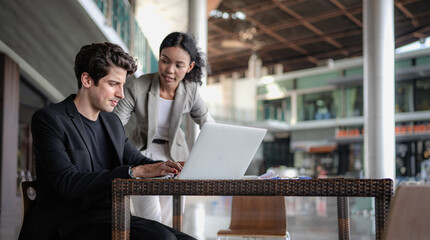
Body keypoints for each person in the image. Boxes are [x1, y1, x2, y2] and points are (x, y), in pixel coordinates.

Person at [18, 42, 196, 240]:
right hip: (68, 225)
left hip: (111, 218)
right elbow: (67, 182)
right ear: (87, 79)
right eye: (113, 84)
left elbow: (137, 161)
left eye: (122, 85)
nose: (120, 93)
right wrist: (132, 172)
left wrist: (170, 167)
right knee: (163, 238)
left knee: (186, 239)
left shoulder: (111, 122)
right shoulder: (50, 119)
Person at [114, 32, 214, 226]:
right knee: (150, 219)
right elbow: (114, 124)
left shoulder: (190, 90)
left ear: (190, 67)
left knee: (171, 221)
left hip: (175, 158)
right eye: (164, 61)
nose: (169, 70)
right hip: (142, 154)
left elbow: (207, 123)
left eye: (179, 65)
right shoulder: (139, 86)